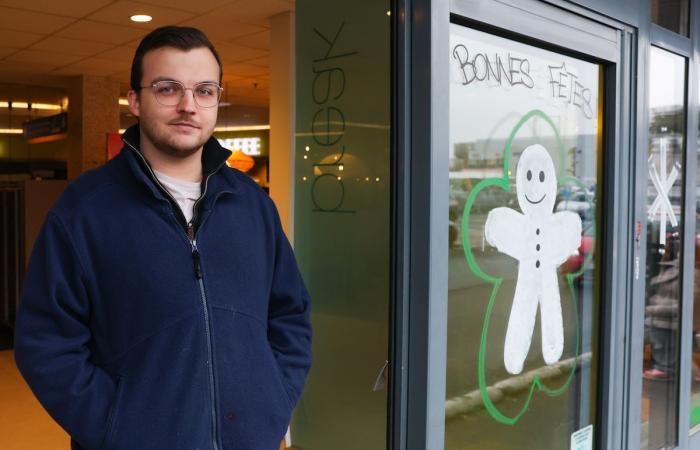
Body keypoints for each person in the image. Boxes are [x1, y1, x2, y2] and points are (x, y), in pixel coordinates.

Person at [14, 26, 312, 450]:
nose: (188, 105)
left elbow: (290, 313)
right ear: (135, 100)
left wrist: (274, 399)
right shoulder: (84, 210)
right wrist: (115, 425)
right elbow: (46, 343)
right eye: (167, 88)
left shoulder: (251, 204)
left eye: (205, 91)